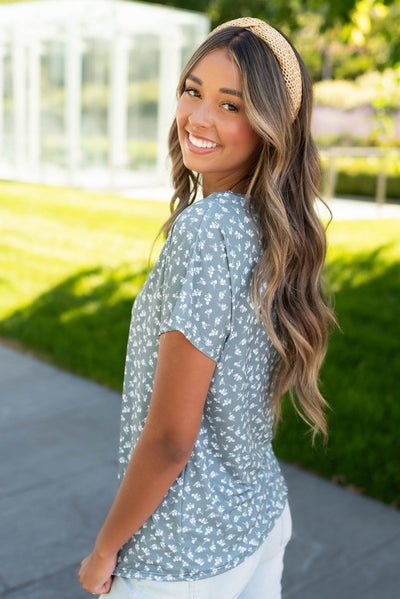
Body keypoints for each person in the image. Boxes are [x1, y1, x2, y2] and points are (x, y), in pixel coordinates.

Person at [78, 17, 335, 599]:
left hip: (182, 559)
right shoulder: (272, 226)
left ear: (271, 126)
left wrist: (105, 548)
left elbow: (171, 437)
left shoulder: (207, 231)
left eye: (231, 105)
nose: (199, 117)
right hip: (260, 520)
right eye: (193, 91)